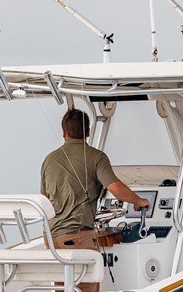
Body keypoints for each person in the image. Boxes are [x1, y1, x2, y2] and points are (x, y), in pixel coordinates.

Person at [40, 109, 150, 281]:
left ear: (64, 132)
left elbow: (45, 198)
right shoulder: (97, 157)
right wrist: (138, 201)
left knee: (64, 286)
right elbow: (115, 189)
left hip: (51, 237)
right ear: (88, 131)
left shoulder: (49, 159)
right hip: (76, 236)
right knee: (85, 289)